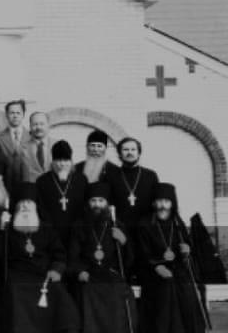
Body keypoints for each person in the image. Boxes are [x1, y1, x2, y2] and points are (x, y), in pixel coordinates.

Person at [0, 183, 80, 332]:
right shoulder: (8, 229)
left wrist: (56, 270)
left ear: (35, 206)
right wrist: (2, 229)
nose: (25, 206)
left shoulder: (46, 228)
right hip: (17, 275)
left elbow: (59, 253)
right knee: (15, 291)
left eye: (29, 203)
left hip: (43, 273)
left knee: (59, 292)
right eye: (21, 203)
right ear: (16, 207)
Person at [137, 182, 210, 333]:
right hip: (153, 272)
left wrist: (187, 251)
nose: (162, 206)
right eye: (159, 201)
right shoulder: (144, 224)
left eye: (166, 201)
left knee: (187, 292)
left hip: (179, 270)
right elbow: (142, 254)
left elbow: (188, 249)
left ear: (172, 204)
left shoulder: (177, 222)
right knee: (166, 291)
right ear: (153, 203)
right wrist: (156, 267)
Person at [68, 182, 137, 333]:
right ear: (88, 203)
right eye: (93, 200)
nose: (97, 204)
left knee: (118, 294)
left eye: (101, 200)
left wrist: (124, 241)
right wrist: (79, 272)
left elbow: (129, 260)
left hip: (112, 275)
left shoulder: (117, 225)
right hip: (89, 275)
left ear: (107, 203)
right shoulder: (79, 226)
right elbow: (73, 257)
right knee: (85, 294)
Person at [36, 140, 87, 248]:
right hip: (51, 233)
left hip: (76, 233)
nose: (62, 164)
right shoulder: (42, 181)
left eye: (66, 160)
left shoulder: (81, 180)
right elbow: (40, 209)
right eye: (59, 160)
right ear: (53, 161)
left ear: (71, 161)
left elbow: (85, 206)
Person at [107, 136, 159, 229]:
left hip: (146, 229)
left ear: (139, 153)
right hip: (121, 228)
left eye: (133, 149)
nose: (129, 152)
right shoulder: (111, 176)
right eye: (125, 149)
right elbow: (109, 205)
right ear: (119, 154)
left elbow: (156, 203)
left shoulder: (151, 175)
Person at [15, 112, 54, 183]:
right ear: (30, 126)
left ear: (48, 125)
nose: (38, 127)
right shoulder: (20, 149)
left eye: (42, 124)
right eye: (35, 124)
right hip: (30, 188)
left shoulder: (58, 145)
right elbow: (16, 176)